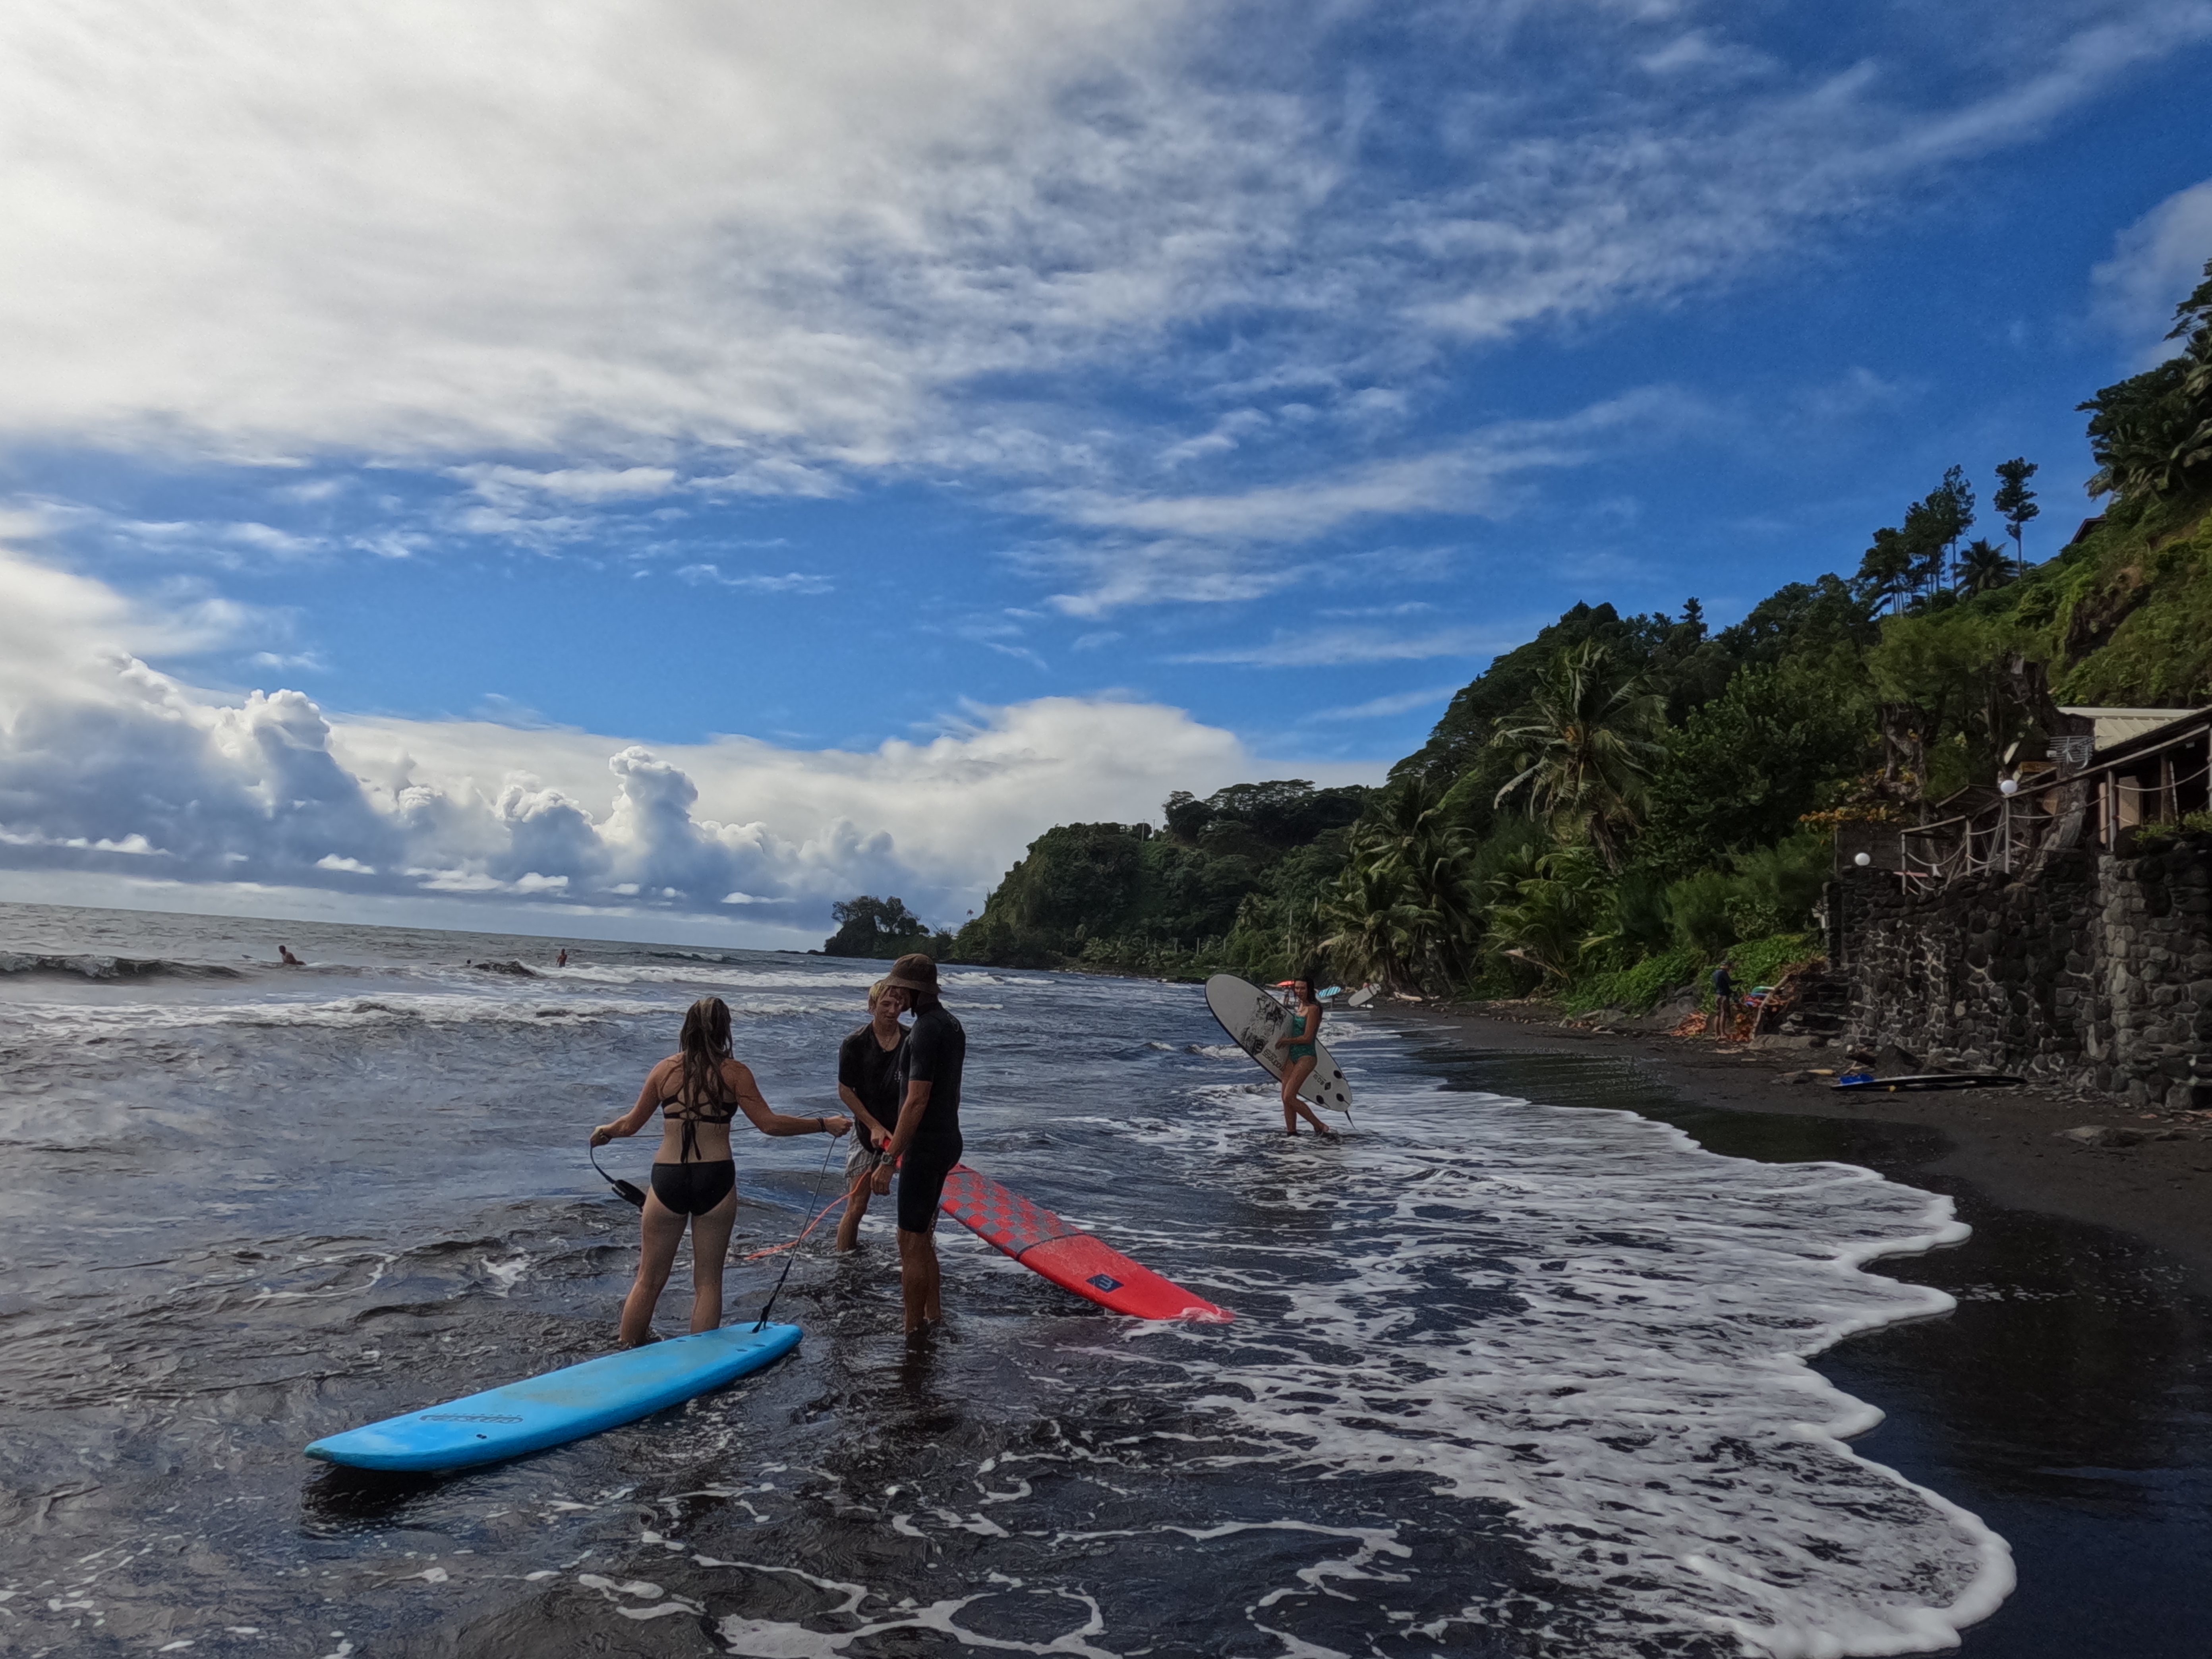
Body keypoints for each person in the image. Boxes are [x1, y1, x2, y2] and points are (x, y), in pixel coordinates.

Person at [591, 996, 848, 1346]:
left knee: (648, 1280)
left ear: (687, 1028)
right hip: (715, 1176)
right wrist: (824, 1124)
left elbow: (630, 1125)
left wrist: (605, 1132)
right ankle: (700, 1367)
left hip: (667, 1177)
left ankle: (625, 1353)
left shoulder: (664, 1070)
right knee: (708, 1283)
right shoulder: (735, 1073)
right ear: (725, 1030)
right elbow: (770, 1125)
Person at [870, 954, 963, 1336]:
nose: (895, 994)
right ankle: (933, 1316)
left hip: (925, 1146)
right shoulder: (951, 1025)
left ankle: (912, 1333)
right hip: (946, 1138)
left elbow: (917, 1099)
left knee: (910, 1241)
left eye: (899, 988)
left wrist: (890, 1158)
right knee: (922, 1235)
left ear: (913, 991)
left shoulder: (926, 1029)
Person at [833, 976, 904, 1251]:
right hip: (867, 1132)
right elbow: (845, 1090)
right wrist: (873, 1125)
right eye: (886, 1004)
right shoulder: (855, 1043)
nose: (893, 1010)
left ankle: (913, 1258)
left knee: (916, 1209)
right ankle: (844, 1260)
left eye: (899, 1004)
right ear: (872, 1006)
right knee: (857, 1204)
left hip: (904, 1131)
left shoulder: (911, 1041)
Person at [1273, 973, 1338, 1138]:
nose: (1299, 991)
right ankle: (1292, 1133)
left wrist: (1287, 1041)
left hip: (1307, 1056)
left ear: (1309, 989)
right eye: (1297, 988)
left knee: (1289, 1096)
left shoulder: (1314, 1009)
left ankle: (1319, 1125)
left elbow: (1308, 1037)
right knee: (1285, 1098)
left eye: (1302, 988)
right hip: (1292, 1055)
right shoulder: (1299, 1007)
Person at [1711, 958, 1738, 1041]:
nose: (1730, 969)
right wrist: (1740, 981)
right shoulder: (1724, 973)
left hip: (1717, 995)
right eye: (1729, 968)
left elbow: (1720, 984)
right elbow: (1730, 982)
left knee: (1718, 1015)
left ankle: (1717, 1034)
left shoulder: (1715, 973)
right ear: (1727, 967)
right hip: (1724, 996)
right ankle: (1723, 1033)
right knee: (1723, 1014)